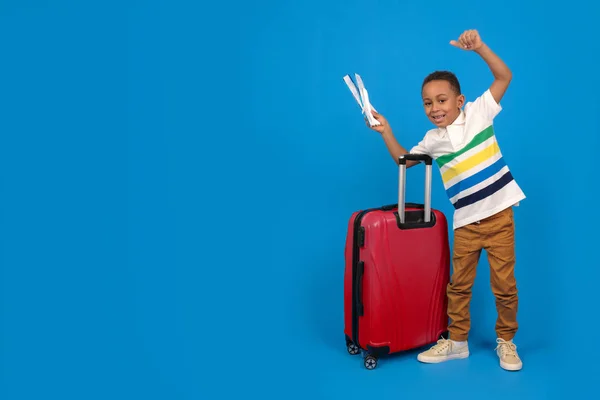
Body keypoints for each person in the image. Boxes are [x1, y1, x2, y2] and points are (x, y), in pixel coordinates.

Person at [367, 29, 526, 371]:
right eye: (427, 103)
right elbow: (405, 162)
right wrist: (387, 132)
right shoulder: (432, 140)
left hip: (499, 218)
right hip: (466, 223)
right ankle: (457, 342)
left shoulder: (480, 113)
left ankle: (507, 341)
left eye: (441, 100)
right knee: (458, 286)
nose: (434, 108)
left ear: (460, 101)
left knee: (504, 286)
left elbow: (504, 75)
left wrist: (480, 47)